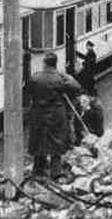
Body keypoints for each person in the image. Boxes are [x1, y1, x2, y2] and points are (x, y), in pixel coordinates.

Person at [26, 52, 83, 180]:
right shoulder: (60, 78)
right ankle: (55, 172)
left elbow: (28, 90)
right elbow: (77, 88)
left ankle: (38, 170)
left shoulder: (36, 77)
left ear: (44, 64)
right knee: (56, 142)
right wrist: (66, 76)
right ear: (55, 64)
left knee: (39, 140)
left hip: (39, 114)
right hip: (56, 114)